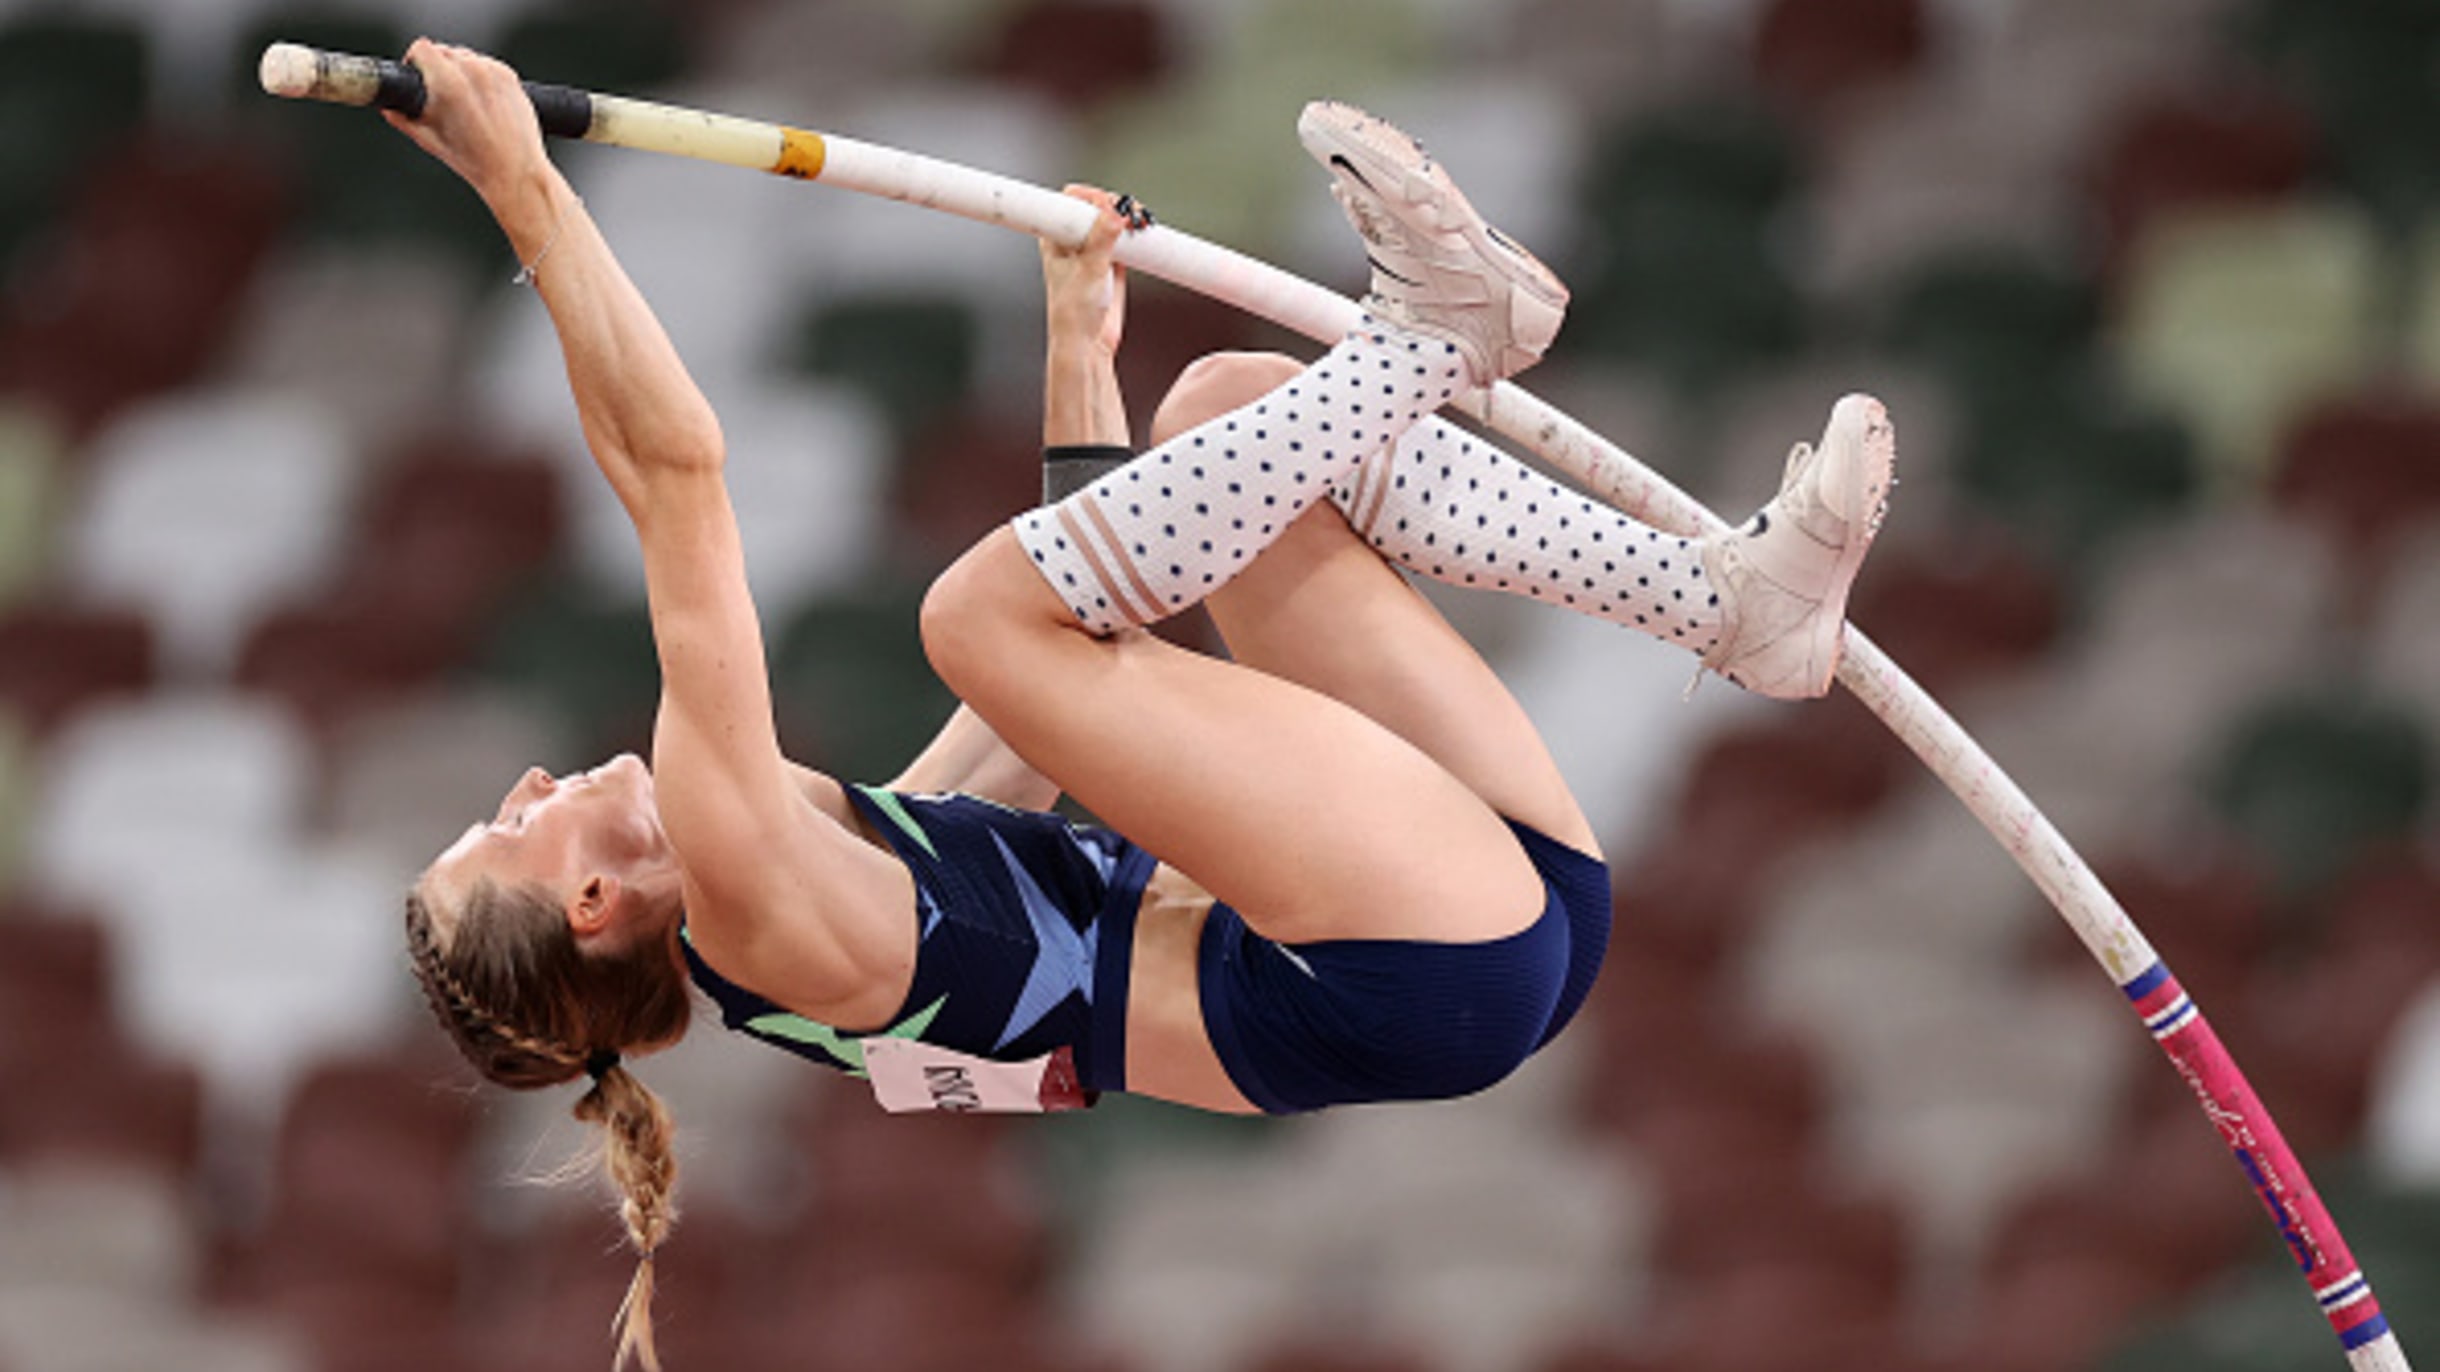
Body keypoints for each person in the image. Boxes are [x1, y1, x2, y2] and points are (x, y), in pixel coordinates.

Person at [384, 40, 1894, 1372]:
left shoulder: (803, 918)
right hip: (1381, 966)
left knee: (1229, 411)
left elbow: (1053, 719)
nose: (527, 779)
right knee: (969, 614)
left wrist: (1073, 359)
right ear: (589, 898)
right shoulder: (736, 888)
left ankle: (1730, 610)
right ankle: (1442, 336)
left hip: (1459, 929)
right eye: (506, 830)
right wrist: (523, 189)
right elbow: (675, 476)